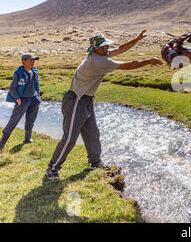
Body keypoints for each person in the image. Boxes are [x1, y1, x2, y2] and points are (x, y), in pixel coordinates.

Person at [46, 30, 163, 180]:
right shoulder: (98, 61)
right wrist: (149, 61)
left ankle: (95, 163)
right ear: (96, 49)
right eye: (104, 47)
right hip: (76, 100)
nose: (107, 48)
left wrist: (136, 39)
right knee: (70, 138)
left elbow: (120, 49)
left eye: (107, 46)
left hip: (86, 100)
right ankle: (52, 168)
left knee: (93, 134)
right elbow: (128, 66)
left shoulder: (99, 55)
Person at [0, 54, 41, 151]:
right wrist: (18, 99)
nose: (33, 62)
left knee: (31, 121)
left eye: (34, 60)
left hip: (34, 99)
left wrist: (38, 96)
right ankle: (1, 143)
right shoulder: (18, 73)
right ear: (23, 61)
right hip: (23, 100)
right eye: (30, 60)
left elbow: (37, 84)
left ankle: (27, 139)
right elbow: (12, 88)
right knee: (13, 122)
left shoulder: (34, 71)